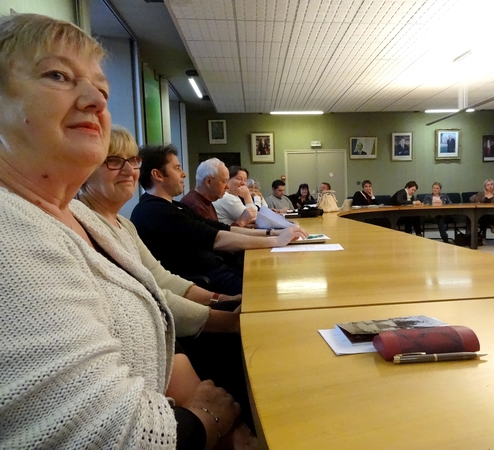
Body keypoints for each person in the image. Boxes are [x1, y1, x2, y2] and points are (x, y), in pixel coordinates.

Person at [0, 14, 239, 449]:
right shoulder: (10, 233)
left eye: (103, 89)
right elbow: (107, 433)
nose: (95, 99)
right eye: (58, 75)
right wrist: (208, 420)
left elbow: (154, 296)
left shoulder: (82, 217)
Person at [79, 125, 258, 438]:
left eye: (132, 160)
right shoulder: (90, 224)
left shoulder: (122, 223)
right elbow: (153, 297)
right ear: (83, 165)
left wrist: (222, 302)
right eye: (112, 161)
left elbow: (160, 279)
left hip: (170, 330)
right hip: (160, 344)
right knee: (240, 359)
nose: (127, 170)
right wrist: (228, 321)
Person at [130, 145, 307, 295]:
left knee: (271, 278)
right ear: (158, 175)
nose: (183, 174)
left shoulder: (174, 206)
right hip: (205, 281)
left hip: (215, 270)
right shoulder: (155, 211)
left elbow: (221, 228)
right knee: (268, 288)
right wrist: (275, 240)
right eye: (177, 168)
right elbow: (216, 238)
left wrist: (275, 232)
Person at [180, 157, 229, 222]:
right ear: (208, 181)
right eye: (224, 181)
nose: (227, 187)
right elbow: (214, 231)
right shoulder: (195, 206)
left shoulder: (203, 201)